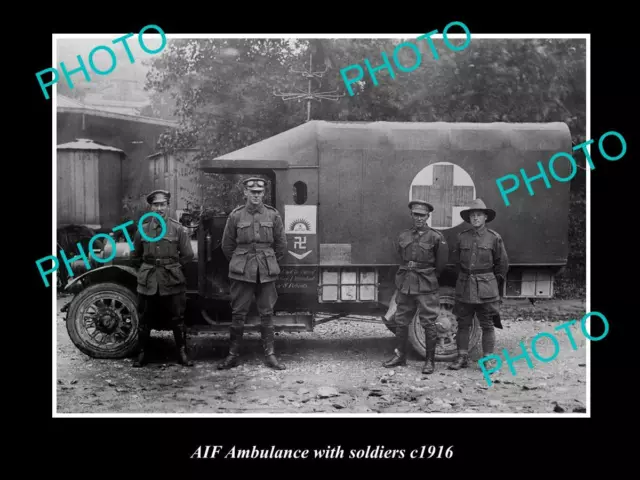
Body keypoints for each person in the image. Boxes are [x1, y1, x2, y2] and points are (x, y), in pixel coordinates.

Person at [218, 177, 287, 370]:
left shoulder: (273, 215)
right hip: (241, 271)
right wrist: (241, 260)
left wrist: (268, 260)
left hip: (266, 271)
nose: (256, 194)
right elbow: (227, 245)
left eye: (259, 191)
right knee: (238, 314)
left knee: (267, 313)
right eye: (252, 191)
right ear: (245, 192)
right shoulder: (236, 216)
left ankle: (270, 355)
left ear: (264, 193)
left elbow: (281, 246)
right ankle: (232, 355)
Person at [130, 190, 195, 368]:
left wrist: (173, 266)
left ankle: (182, 353)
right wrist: (146, 269)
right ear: (150, 207)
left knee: (178, 318)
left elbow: (188, 255)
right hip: (149, 279)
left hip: (172, 279)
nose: (159, 208)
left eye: (162, 204)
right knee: (144, 318)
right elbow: (135, 255)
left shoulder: (178, 229)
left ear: (168, 206)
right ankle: (142, 353)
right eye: (155, 205)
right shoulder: (142, 230)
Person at [384, 200, 449, 374]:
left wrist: (429, 276)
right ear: (411, 215)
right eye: (416, 215)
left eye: (422, 215)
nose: (419, 218)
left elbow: (441, 264)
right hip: (406, 283)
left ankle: (429, 361)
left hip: (426, 283)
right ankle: (400, 356)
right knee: (401, 320)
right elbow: (400, 256)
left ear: (428, 216)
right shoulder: (404, 236)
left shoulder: (436, 237)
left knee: (428, 322)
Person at [448, 198, 509, 372]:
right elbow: (456, 262)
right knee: (463, 323)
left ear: (485, 218)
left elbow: (502, 265)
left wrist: (491, 283)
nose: (475, 218)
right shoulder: (462, 237)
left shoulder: (494, 238)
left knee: (487, 324)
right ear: (469, 218)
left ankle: (488, 360)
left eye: (479, 215)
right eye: (472, 215)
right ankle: (462, 357)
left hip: (486, 288)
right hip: (465, 285)